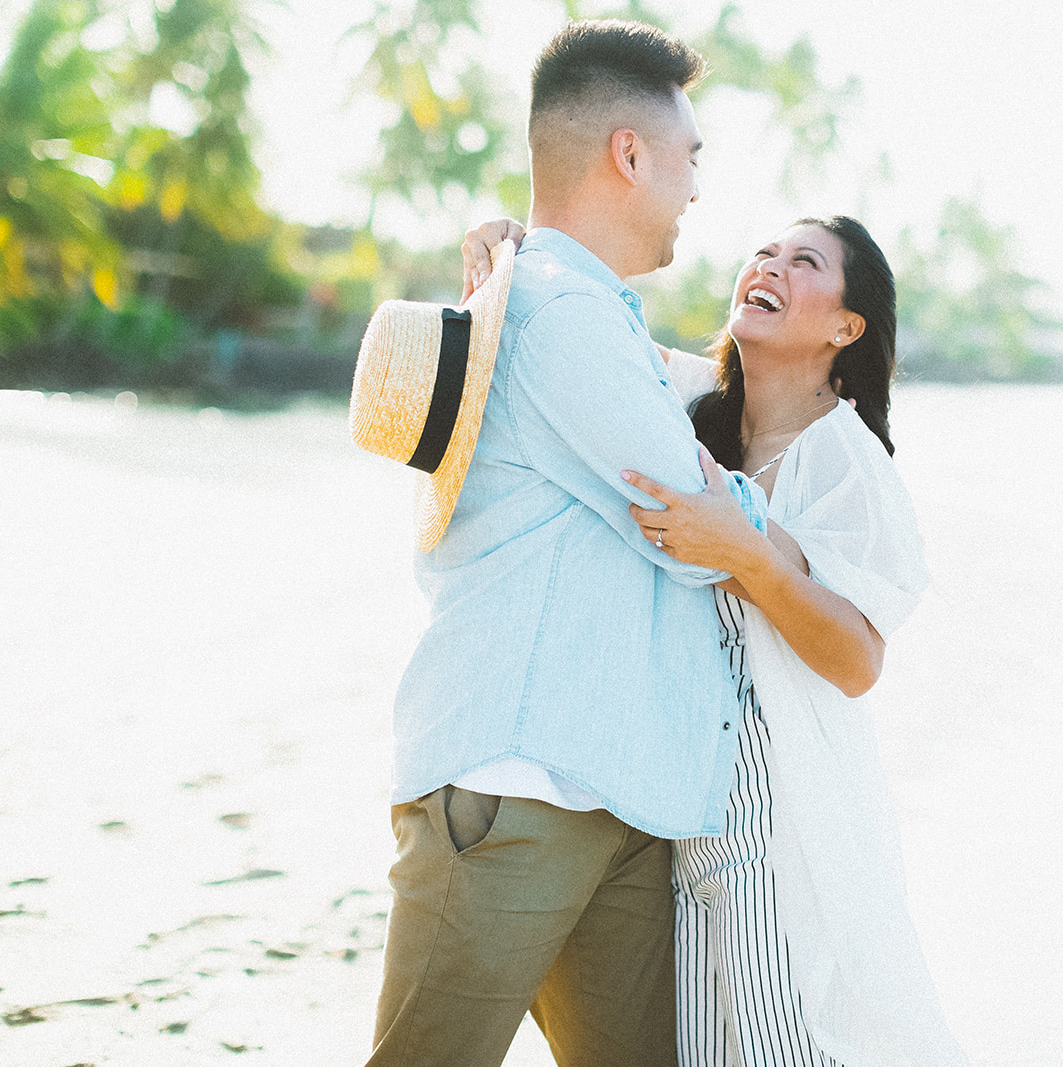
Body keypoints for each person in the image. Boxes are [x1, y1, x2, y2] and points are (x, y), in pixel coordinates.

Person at [367, 20, 793, 1067]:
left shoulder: (588, 315)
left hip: (619, 791)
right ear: (629, 153)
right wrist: (764, 525)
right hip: (518, 790)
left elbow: (704, 436)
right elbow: (698, 537)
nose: (695, 188)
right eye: (690, 158)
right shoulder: (556, 315)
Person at [468, 215, 968, 1064]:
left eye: (803, 262)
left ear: (847, 328)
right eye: (765, 252)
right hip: (670, 818)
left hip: (775, 824)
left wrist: (749, 556)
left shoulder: (844, 457)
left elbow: (858, 659)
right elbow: (586, 337)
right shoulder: (691, 409)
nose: (767, 266)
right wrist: (518, 249)